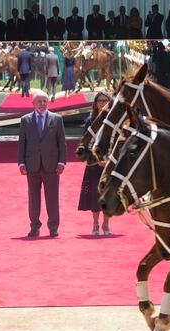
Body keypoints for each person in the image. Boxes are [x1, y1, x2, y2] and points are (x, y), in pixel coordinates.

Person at [17, 92, 66, 238]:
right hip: (32, 165)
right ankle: (34, 227)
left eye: (45, 101)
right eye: (39, 101)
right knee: (33, 198)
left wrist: (61, 162)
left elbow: (62, 144)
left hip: (51, 165)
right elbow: (22, 144)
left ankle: (53, 227)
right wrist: (21, 163)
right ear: (33, 103)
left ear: (48, 103)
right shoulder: (25, 120)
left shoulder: (57, 119)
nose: (42, 103)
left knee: (52, 198)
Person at [78, 92, 112, 235]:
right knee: (94, 194)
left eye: (105, 100)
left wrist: (108, 159)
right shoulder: (89, 121)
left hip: (109, 162)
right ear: (95, 103)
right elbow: (87, 142)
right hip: (93, 163)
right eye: (99, 100)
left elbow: (116, 141)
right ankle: (95, 225)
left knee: (108, 194)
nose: (102, 103)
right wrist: (97, 160)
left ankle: (106, 225)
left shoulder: (113, 120)